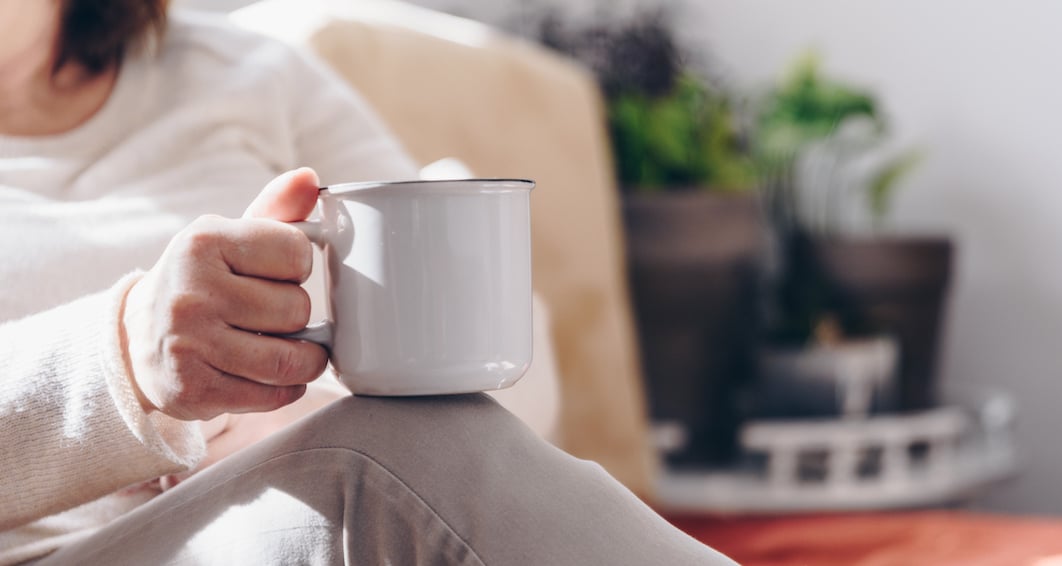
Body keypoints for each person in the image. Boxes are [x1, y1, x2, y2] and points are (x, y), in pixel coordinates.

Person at [0, 0, 734, 563]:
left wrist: (305, 414)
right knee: (373, 462)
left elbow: (481, 314)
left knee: (394, 444)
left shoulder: (253, 77)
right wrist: (121, 363)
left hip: (289, 516)